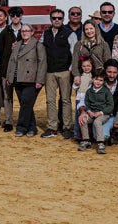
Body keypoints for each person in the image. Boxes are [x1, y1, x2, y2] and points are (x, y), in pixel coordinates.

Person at [41, 9, 76, 139]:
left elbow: (74, 53)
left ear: (63, 19)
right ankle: (52, 127)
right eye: (54, 18)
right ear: (51, 19)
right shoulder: (46, 34)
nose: (57, 20)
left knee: (65, 100)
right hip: (49, 71)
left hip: (64, 71)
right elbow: (40, 49)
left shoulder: (69, 34)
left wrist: (70, 69)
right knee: (50, 100)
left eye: (59, 18)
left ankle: (66, 127)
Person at [7, 25, 46, 137]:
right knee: (26, 105)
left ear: (32, 32)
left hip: (31, 79)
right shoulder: (17, 45)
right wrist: (10, 77)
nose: (25, 33)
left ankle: (21, 127)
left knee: (26, 103)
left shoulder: (38, 45)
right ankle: (32, 128)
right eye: (23, 31)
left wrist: (40, 80)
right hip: (17, 78)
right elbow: (12, 62)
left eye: (27, 31)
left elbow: (42, 63)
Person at [77, 68, 114, 154]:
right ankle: (86, 140)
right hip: (92, 113)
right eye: (96, 79)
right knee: (84, 120)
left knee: (97, 122)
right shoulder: (89, 91)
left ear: (104, 81)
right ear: (93, 79)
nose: (98, 82)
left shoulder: (106, 92)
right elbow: (87, 102)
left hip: (103, 113)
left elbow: (110, 106)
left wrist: (101, 113)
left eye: (101, 80)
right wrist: (89, 111)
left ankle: (101, 143)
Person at [0, 8, 16, 132]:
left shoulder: (13, 31)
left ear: (6, 17)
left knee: (9, 95)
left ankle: (11, 120)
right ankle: (0, 118)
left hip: (10, 66)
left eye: (0, 16)